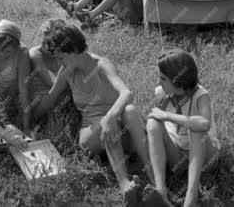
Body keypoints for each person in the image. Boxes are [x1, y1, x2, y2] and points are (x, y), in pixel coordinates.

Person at [35, 24, 152, 205]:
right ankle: (124, 184)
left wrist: (110, 116)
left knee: (130, 110)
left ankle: (154, 178)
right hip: (92, 134)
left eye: (62, 57)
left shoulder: (101, 64)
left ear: (73, 49)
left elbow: (127, 94)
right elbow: (50, 99)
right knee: (109, 122)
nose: (60, 63)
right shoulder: (66, 72)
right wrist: (25, 121)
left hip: (119, 127)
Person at [145, 50, 220, 207]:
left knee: (196, 128)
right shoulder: (162, 93)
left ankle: (190, 199)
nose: (158, 83)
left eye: (163, 78)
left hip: (205, 158)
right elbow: (155, 122)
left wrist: (166, 116)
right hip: (178, 159)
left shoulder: (201, 96)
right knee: (152, 122)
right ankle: (161, 192)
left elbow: (204, 124)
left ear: (177, 80)